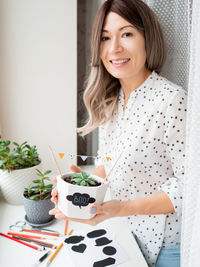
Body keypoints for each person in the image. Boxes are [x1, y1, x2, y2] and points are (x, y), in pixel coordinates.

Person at [49, 0, 187, 266]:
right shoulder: (111, 101)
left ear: (148, 38)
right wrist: (81, 185)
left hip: (166, 248)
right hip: (124, 234)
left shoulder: (172, 100)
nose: (114, 48)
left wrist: (122, 208)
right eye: (105, 37)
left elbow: (189, 188)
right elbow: (106, 166)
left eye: (126, 34)